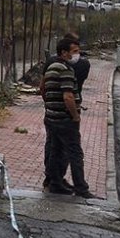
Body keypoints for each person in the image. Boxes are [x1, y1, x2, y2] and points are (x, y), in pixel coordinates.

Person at [41, 37, 97, 199]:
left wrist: (51, 106)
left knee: (55, 151)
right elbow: (68, 97)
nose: (77, 55)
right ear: (64, 52)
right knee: (75, 153)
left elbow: (43, 89)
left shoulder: (51, 67)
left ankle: (55, 183)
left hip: (52, 117)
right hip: (65, 120)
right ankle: (81, 188)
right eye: (74, 51)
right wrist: (75, 116)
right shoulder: (65, 69)